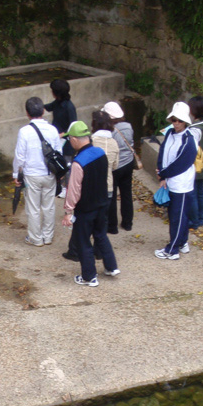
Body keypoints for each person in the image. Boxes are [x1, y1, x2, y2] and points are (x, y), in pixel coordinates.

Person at [61, 121, 119, 287]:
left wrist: (68, 211)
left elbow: (74, 189)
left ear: (74, 139)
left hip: (85, 208)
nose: (69, 142)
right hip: (102, 203)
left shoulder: (79, 162)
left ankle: (89, 277)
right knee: (101, 235)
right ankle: (111, 267)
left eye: (70, 139)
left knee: (83, 241)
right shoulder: (100, 153)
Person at [12, 96, 62, 246]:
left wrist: (16, 175)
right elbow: (58, 152)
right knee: (49, 206)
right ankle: (48, 236)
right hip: (49, 173)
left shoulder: (24, 131)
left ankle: (35, 238)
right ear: (43, 111)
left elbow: (20, 156)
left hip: (32, 174)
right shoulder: (53, 130)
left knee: (33, 208)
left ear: (27, 113)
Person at [155, 102, 198, 260]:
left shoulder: (189, 140)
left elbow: (181, 163)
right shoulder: (169, 134)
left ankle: (172, 250)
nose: (176, 123)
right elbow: (162, 152)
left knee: (177, 216)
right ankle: (182, 242)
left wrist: (163, 174)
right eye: (174, 119)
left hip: (181, 184)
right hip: (170, 180)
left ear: (185, 121)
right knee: (178, 215)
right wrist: (161, 172)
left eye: (179, 120)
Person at [104, 100, 137, 232]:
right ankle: (127, 223)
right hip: (128, 163)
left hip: (115, 165)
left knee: (111, 194)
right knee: (126, 193)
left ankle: (112, 226)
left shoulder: (110, 131)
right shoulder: (128, 126)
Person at [45, 78, 76, 198]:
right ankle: (60, 186)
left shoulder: (69, 107)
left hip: (66, 142)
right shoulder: (57, 103)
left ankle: (68, 189)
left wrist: (63, 134)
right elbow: (47, 107)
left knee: (67, 166)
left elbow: (74, 125)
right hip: (56, 140)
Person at [91, 110, 120, 233]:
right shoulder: (114, 143)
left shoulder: (90, 141)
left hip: (92, 187)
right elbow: (115, 166)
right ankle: (100, 249)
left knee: (89, 221)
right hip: (108, 186)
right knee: (103, 221)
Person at [188, 96, 203, 229]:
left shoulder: (194, 129)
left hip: (196, 165)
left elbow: (191, 148)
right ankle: (201, 218)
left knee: (193, 192)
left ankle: (194, 220)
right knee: (200, 191)